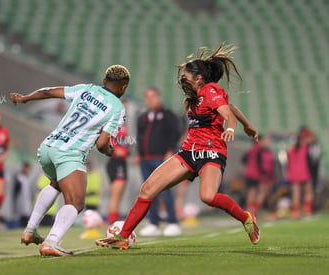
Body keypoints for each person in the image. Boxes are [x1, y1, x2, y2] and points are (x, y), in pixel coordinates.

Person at [96, 43, 260, 250]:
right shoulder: (197, 95)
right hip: (189, 152)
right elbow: (230, 106)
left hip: (211, 152)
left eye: (186, 74)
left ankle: (246, 218)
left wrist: (234, 128)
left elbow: (228, 113)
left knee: (208, 197)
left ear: (199, 78)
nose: (183, 77)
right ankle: (123, 236)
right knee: (147, 189)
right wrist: (248, 125)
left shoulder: (211, 89)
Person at [10, 64, 130, 257]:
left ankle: (30, 231)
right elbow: (101, 144)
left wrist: (25, 98)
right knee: (75, 202)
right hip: (69, 153)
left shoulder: (86, 89)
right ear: (123, 87)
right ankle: (52, 242)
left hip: (49, 146)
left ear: (104, 81)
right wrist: (109, 151)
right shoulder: (117, 108)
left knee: (55, 184)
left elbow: (48, 92)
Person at [135, 87, 182, 237]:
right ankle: (153, 223)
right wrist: (137, 153)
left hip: (161, 159)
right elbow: (139, 137)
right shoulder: (142, 117)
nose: (150, 100)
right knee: (148, 192)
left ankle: (173, 222)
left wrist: (170, 150)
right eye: (147, 97)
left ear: (158, 97)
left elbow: (175, 133)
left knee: (165, 191)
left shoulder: (168, 115)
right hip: (145, 160)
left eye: (153, 96)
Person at [107, 100, 129, 224]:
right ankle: (113, 224)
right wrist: (116, 150)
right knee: (115, 196)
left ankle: (113, 223)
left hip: (121, 162)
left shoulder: (123, 125)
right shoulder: (113, 124)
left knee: (117, 196)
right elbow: (106, 141)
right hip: (116, 162)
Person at [243, 134, 275, 215]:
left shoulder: (250, 149)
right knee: (262, 192)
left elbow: (244, 160)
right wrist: (263, 173)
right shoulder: (259, 150)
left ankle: (249, 211)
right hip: (256, 174)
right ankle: (255, 210)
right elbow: (260, 163)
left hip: (248, 173)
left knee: (251, 192)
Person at [286, 128, 314, 219]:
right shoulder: (306, 148)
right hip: (304, 172)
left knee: (296, 194)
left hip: (293, 174)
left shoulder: (290, 149)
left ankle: (295, 212)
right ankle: (307, 210)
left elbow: (288, 162)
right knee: (308, 192)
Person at [13, 162, 34, 227]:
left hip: (26, 201)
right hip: (21, 201)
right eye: (27, 169)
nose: (28, 171)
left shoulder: (26, 178)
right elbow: (16, 191)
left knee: (26, 217)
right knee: (22, 218)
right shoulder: (19, 177)